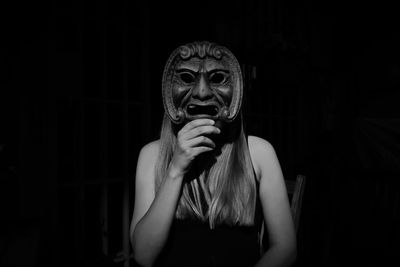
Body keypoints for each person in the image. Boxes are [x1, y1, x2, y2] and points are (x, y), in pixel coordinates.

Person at [130, 41, 297, 267]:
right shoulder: (152, 155)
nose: (201, 92)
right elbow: (143, 255)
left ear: (236, 91)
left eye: (218, 78)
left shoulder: (258, 152)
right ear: (169, 92)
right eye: (187, 78)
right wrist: (176, 170)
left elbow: (285, 248)